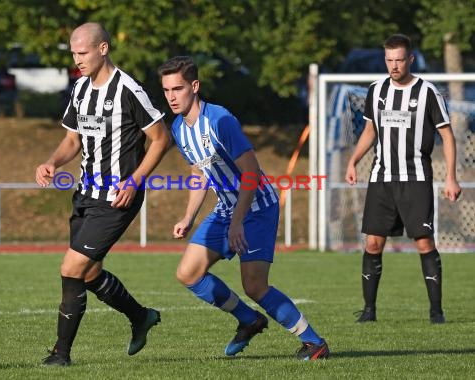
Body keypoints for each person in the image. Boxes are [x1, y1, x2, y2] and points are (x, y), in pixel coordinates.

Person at [158, 56, 329, 360]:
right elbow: (199, 172)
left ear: (195, 86)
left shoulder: (220, 120)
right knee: (188, 273)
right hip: (227, 210)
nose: (171, 97)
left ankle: (314, 343)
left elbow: (250, 172)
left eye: (178, 89)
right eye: (167, 90)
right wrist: (188, 216)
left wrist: (238, 222)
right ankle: (248, 320)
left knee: (254, 285)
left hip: (257, 207)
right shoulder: (178, 128)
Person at [35, 22, 170, 366]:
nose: (77, 60)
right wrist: (52, 162)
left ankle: (60, 355)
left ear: (103, 49)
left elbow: (160, 139)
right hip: (84, 194)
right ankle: (140, 317)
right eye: (74, 53)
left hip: (117, 198)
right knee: (89, 273)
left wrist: (135, 180)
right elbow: (72, 141)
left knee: (71, 268)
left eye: (82, 53)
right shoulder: (80, 89)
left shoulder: (128, 89)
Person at [345, 34, 461, 324]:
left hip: (416, 178)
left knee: (423, 242)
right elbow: (370, 130)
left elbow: (446, 135)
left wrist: (451, 177)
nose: (394, 66)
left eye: (399, 60)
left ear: (409, 59)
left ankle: (436, 312)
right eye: (389, 60)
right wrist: (353, 160)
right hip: (382, 177)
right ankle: (369, 311)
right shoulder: (377, 89)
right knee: (372, 244)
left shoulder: (427, 92)